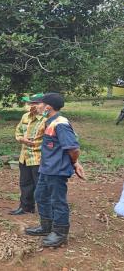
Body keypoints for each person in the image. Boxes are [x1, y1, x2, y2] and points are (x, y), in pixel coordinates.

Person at [25, 92, 85, 247]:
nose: (36, 106)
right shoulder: (50, 121)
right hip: (47, 168)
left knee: (58, 201)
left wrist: (74, 163)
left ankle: (60, 233)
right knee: (40, 196)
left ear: (48, 107)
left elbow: (73, 148)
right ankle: (46, 226)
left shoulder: (61, 124)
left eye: (39, 104)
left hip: (57, 170)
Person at [10, 93, 46, 215]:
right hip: (24, 156)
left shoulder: (46, 120)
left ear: (41, 104)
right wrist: (21, 139)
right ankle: (25, 207)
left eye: (32, 103)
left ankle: (44, 211)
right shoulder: (25, 116)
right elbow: (18, 130)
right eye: (29, 103)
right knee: (25, 183)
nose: (29, 105)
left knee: (40, 185)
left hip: (38, 157)